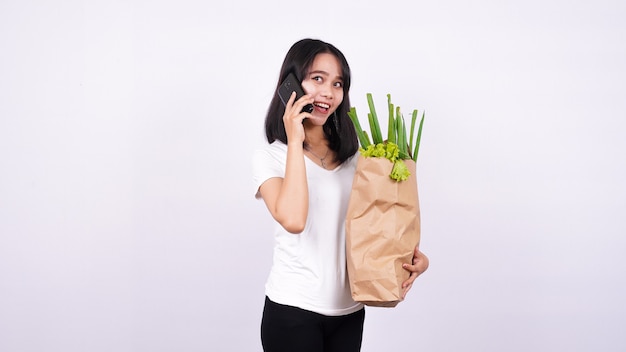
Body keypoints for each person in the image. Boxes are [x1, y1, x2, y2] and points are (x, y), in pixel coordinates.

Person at [252, 38, 429, 352]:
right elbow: (293, 220)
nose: (328, 92)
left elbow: (375, 226)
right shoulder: (272, 157)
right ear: (290, 84)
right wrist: (295, 139)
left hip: (349, 313)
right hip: (292, 311)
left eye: (338, 83)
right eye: (317, 79)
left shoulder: (358, 159)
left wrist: (411, 257)